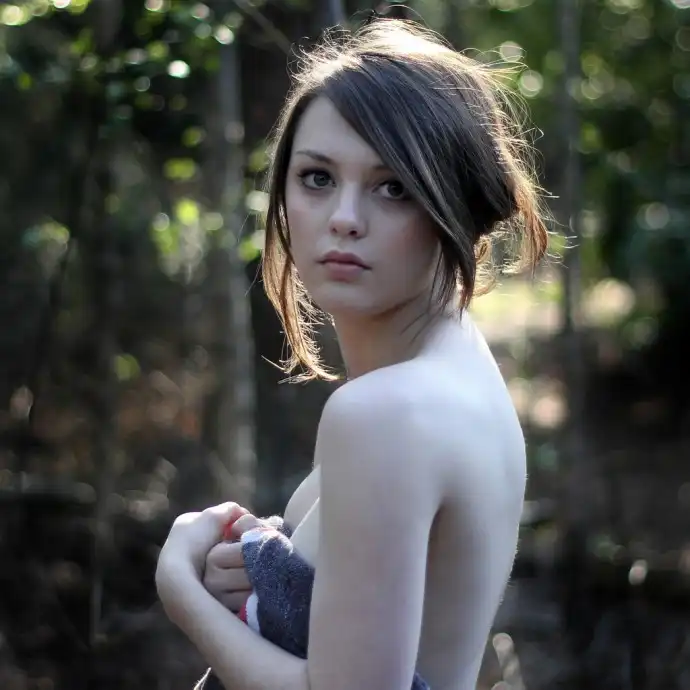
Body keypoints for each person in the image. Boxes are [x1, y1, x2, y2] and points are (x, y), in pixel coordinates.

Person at [155, 16, 549, 690]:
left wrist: (181, 590)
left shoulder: (385, 412)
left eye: (393, 187)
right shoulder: (458, 374)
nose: (343, 217)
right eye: (316, 178)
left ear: (456, 206)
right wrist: (263, 571)